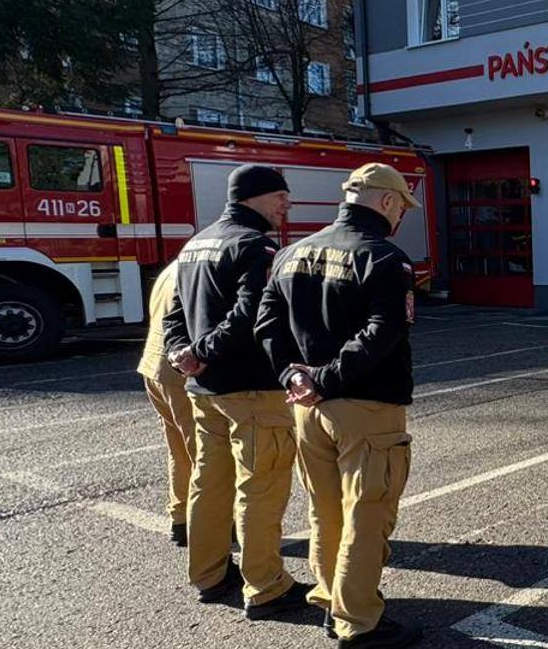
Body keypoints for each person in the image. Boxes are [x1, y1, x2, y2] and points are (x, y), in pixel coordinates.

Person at [256, 163, 421, 647]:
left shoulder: (290, 253)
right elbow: (383, 332)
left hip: (306, 406)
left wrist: (293, 374)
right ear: (387, 203)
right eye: (402, 208)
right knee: (368, 514)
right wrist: (326, 379)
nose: (401, 218)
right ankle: (358, 621)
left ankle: (330, 598)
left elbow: (267, 325)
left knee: (324, 511)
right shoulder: (385, 258)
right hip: (365, 407)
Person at [163, 164, 309, 616]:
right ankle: (265, 587)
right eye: (280, 196)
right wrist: (202, 351)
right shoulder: (256, 245)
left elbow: (173, 313)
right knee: (261, 488)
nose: (287, 205)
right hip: (250, 389)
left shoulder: (195, 243)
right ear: (253, 197)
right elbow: (252, 314)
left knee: (209, 482)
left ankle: (209, 575)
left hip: (205, 389)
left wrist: (182, 353)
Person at [136, 258, 194, 548]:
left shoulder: (172, 267)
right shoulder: (200, 267)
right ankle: (213, 524)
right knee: (208, 457)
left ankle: (181, 518)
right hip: (185, 373)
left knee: (179, 450)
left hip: (155, 366)